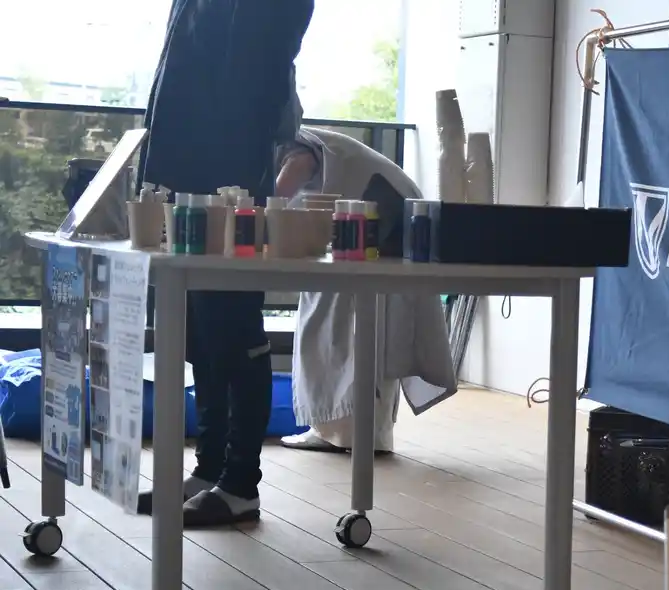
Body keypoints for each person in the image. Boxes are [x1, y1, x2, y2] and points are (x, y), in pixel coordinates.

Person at [134, 0, 314, 526]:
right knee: (198, 328)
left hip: (230, 166)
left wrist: (240, 169)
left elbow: (262, 72)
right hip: (183, 162)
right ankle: (209, 466)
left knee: (232, 324)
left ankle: (240, 482)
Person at [274, 128, 457, 453]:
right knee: (369, 326)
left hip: (375, 221)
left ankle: (348, 433)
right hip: (382, 219)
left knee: (345, 325)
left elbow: (278, 193)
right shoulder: (302, 140)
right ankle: (359, 433)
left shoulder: (292, 144)